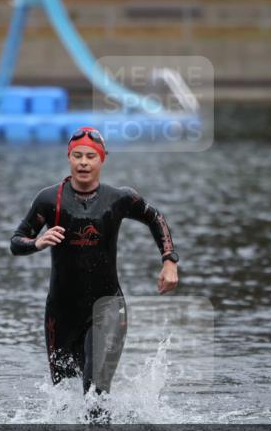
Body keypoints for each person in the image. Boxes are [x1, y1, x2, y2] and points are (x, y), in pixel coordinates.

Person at [10, 126, 179, 396]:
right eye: (77, 156)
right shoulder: (48, 200)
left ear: (103, 159)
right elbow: (17, 242)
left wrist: (169, 260)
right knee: (64, 397)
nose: (83, 162)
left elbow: (155, 217)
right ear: (69, 157)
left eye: (90, 156)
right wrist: (37, 243)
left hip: (107, 307)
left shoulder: (119, 199)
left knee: (95, 391)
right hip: (61, 312)